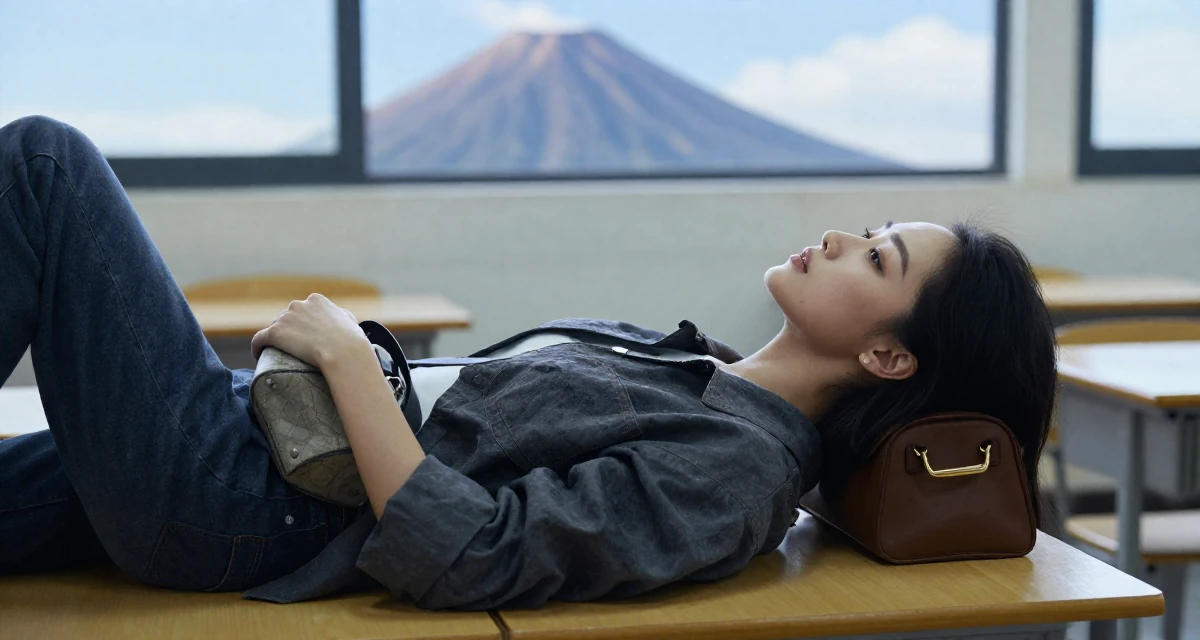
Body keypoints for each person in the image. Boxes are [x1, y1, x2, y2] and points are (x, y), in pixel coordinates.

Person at [0, 116, 1057, 610]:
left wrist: (357, 372)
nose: (837, 239)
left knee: (45, 166)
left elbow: (476, 554)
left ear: (887, 351)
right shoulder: (706, 371)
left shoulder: (735, 471)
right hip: (248, 440)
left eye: (876, 256)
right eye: (868, 228)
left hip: (238, 499)